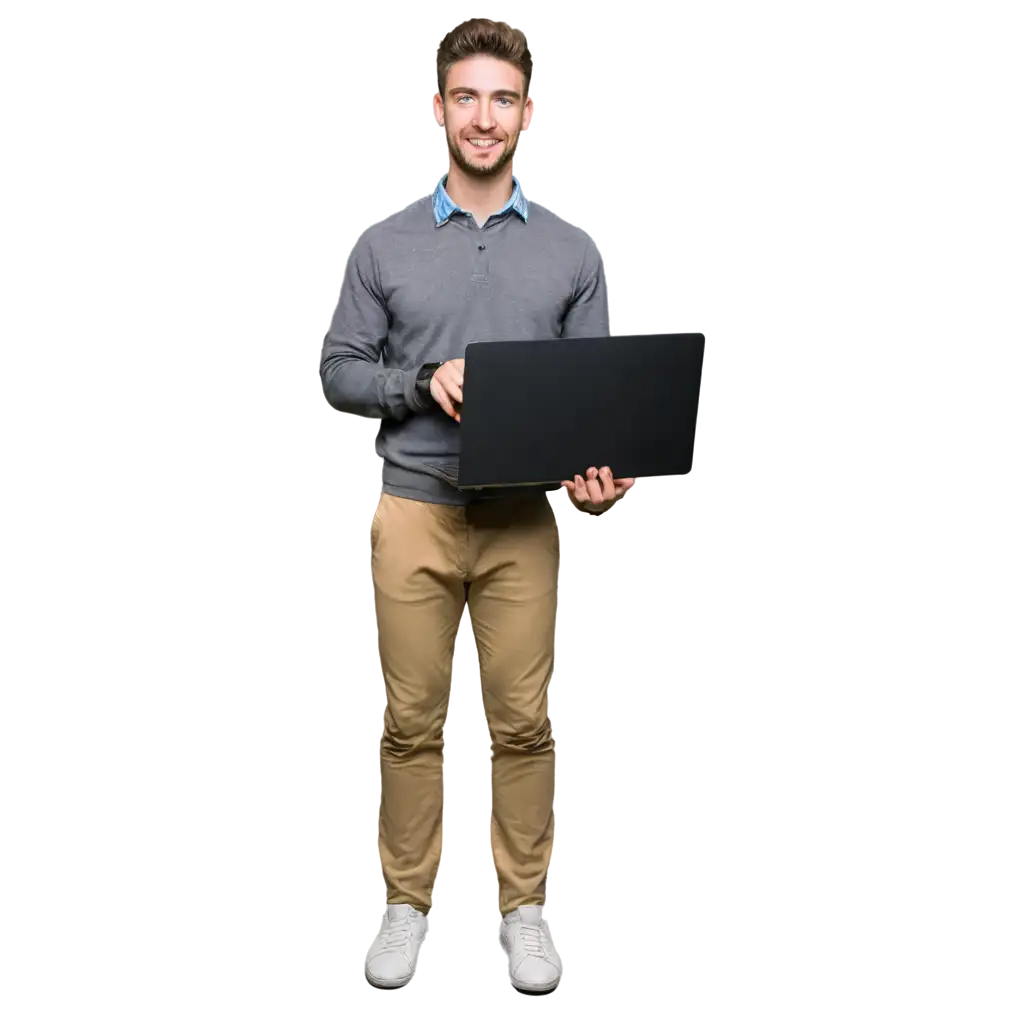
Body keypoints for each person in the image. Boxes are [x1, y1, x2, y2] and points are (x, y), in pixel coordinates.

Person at [320, 14, 636, 994]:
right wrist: (422, 381)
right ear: (437, 109)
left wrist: (600, 478)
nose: (484, 117)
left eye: (503, 98)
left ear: (527, 114)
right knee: (409, 722)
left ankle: (523, 911)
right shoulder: (381, 241)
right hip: (411, 510)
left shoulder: (574, 252)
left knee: (523, 724)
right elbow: (337, 373)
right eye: (467, 96)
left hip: (520, 521)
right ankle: (406, 906)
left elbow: (600, 401)